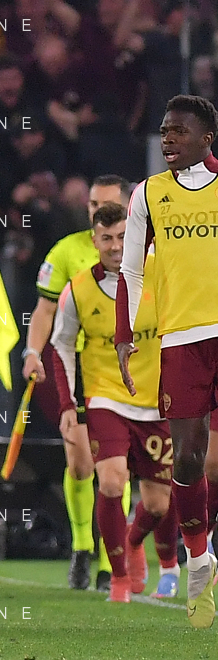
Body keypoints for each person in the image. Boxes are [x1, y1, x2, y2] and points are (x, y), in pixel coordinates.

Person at [117, 94, 218, 628]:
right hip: (181, 340)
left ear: (207, 138)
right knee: (187, 459)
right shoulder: (148, 193)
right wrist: (124, 334)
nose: (167, 139)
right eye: (163, 131)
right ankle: (199, 561)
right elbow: (131, 271)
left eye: (178, 131)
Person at [50, 203, 178, 602]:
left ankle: (133, 541)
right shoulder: (78, 290)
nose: (116, 245)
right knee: (110, 481)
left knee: (157, 505)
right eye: (106, 238)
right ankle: (119, 578)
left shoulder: (162, 272)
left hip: (157, 400)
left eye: (122, 236)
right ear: (94, 241)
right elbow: (61, 346)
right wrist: (68, 405)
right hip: (106, 397)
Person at [20, 173, 132, 591]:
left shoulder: (141, 249)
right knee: (82, 463)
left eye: (106, 204)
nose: (98, 211)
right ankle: (83, 546)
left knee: (115, 468)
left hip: (126, 368)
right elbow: (45, 310)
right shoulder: (67, 251)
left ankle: (109, 559)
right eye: (93, 205)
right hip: (78, 367)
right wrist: (32, 352)